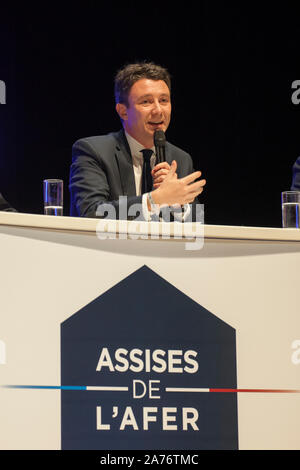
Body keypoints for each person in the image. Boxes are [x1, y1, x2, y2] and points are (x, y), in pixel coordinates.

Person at [69, 62, 206, 220]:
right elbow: (91, 212)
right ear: (123, 111)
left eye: (163, 100)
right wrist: (155, 200)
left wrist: (178, 204)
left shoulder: (181, 159)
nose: (158, 110)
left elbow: (196, 227)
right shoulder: (93, 151)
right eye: (146, 102)